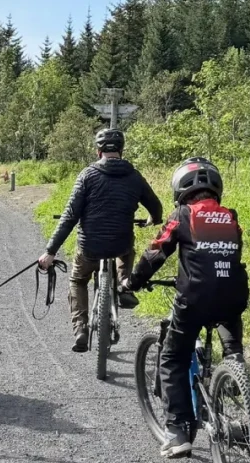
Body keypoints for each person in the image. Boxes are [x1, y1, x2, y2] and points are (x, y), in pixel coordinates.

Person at [124, 157, 249, 458]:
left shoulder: (183, 214)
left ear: (180, 189)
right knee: (232, 346)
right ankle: (236, 384)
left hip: (194, 299)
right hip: (233, 297)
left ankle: (179, 430)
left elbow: (157, 252)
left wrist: (133, 281)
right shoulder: (231, 217)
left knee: (172, 358)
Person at [38, 128, 163, 352]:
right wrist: (153, 219)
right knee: (126, 250)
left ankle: (80, 330)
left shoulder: (87, 175)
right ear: (122, 151)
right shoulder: (134, 176)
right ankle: (124, 285)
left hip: (89, 248)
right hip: (120, 244)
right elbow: (155, 206)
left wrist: (50, 251)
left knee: (78, 281)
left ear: (98, 151)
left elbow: (69, 217)